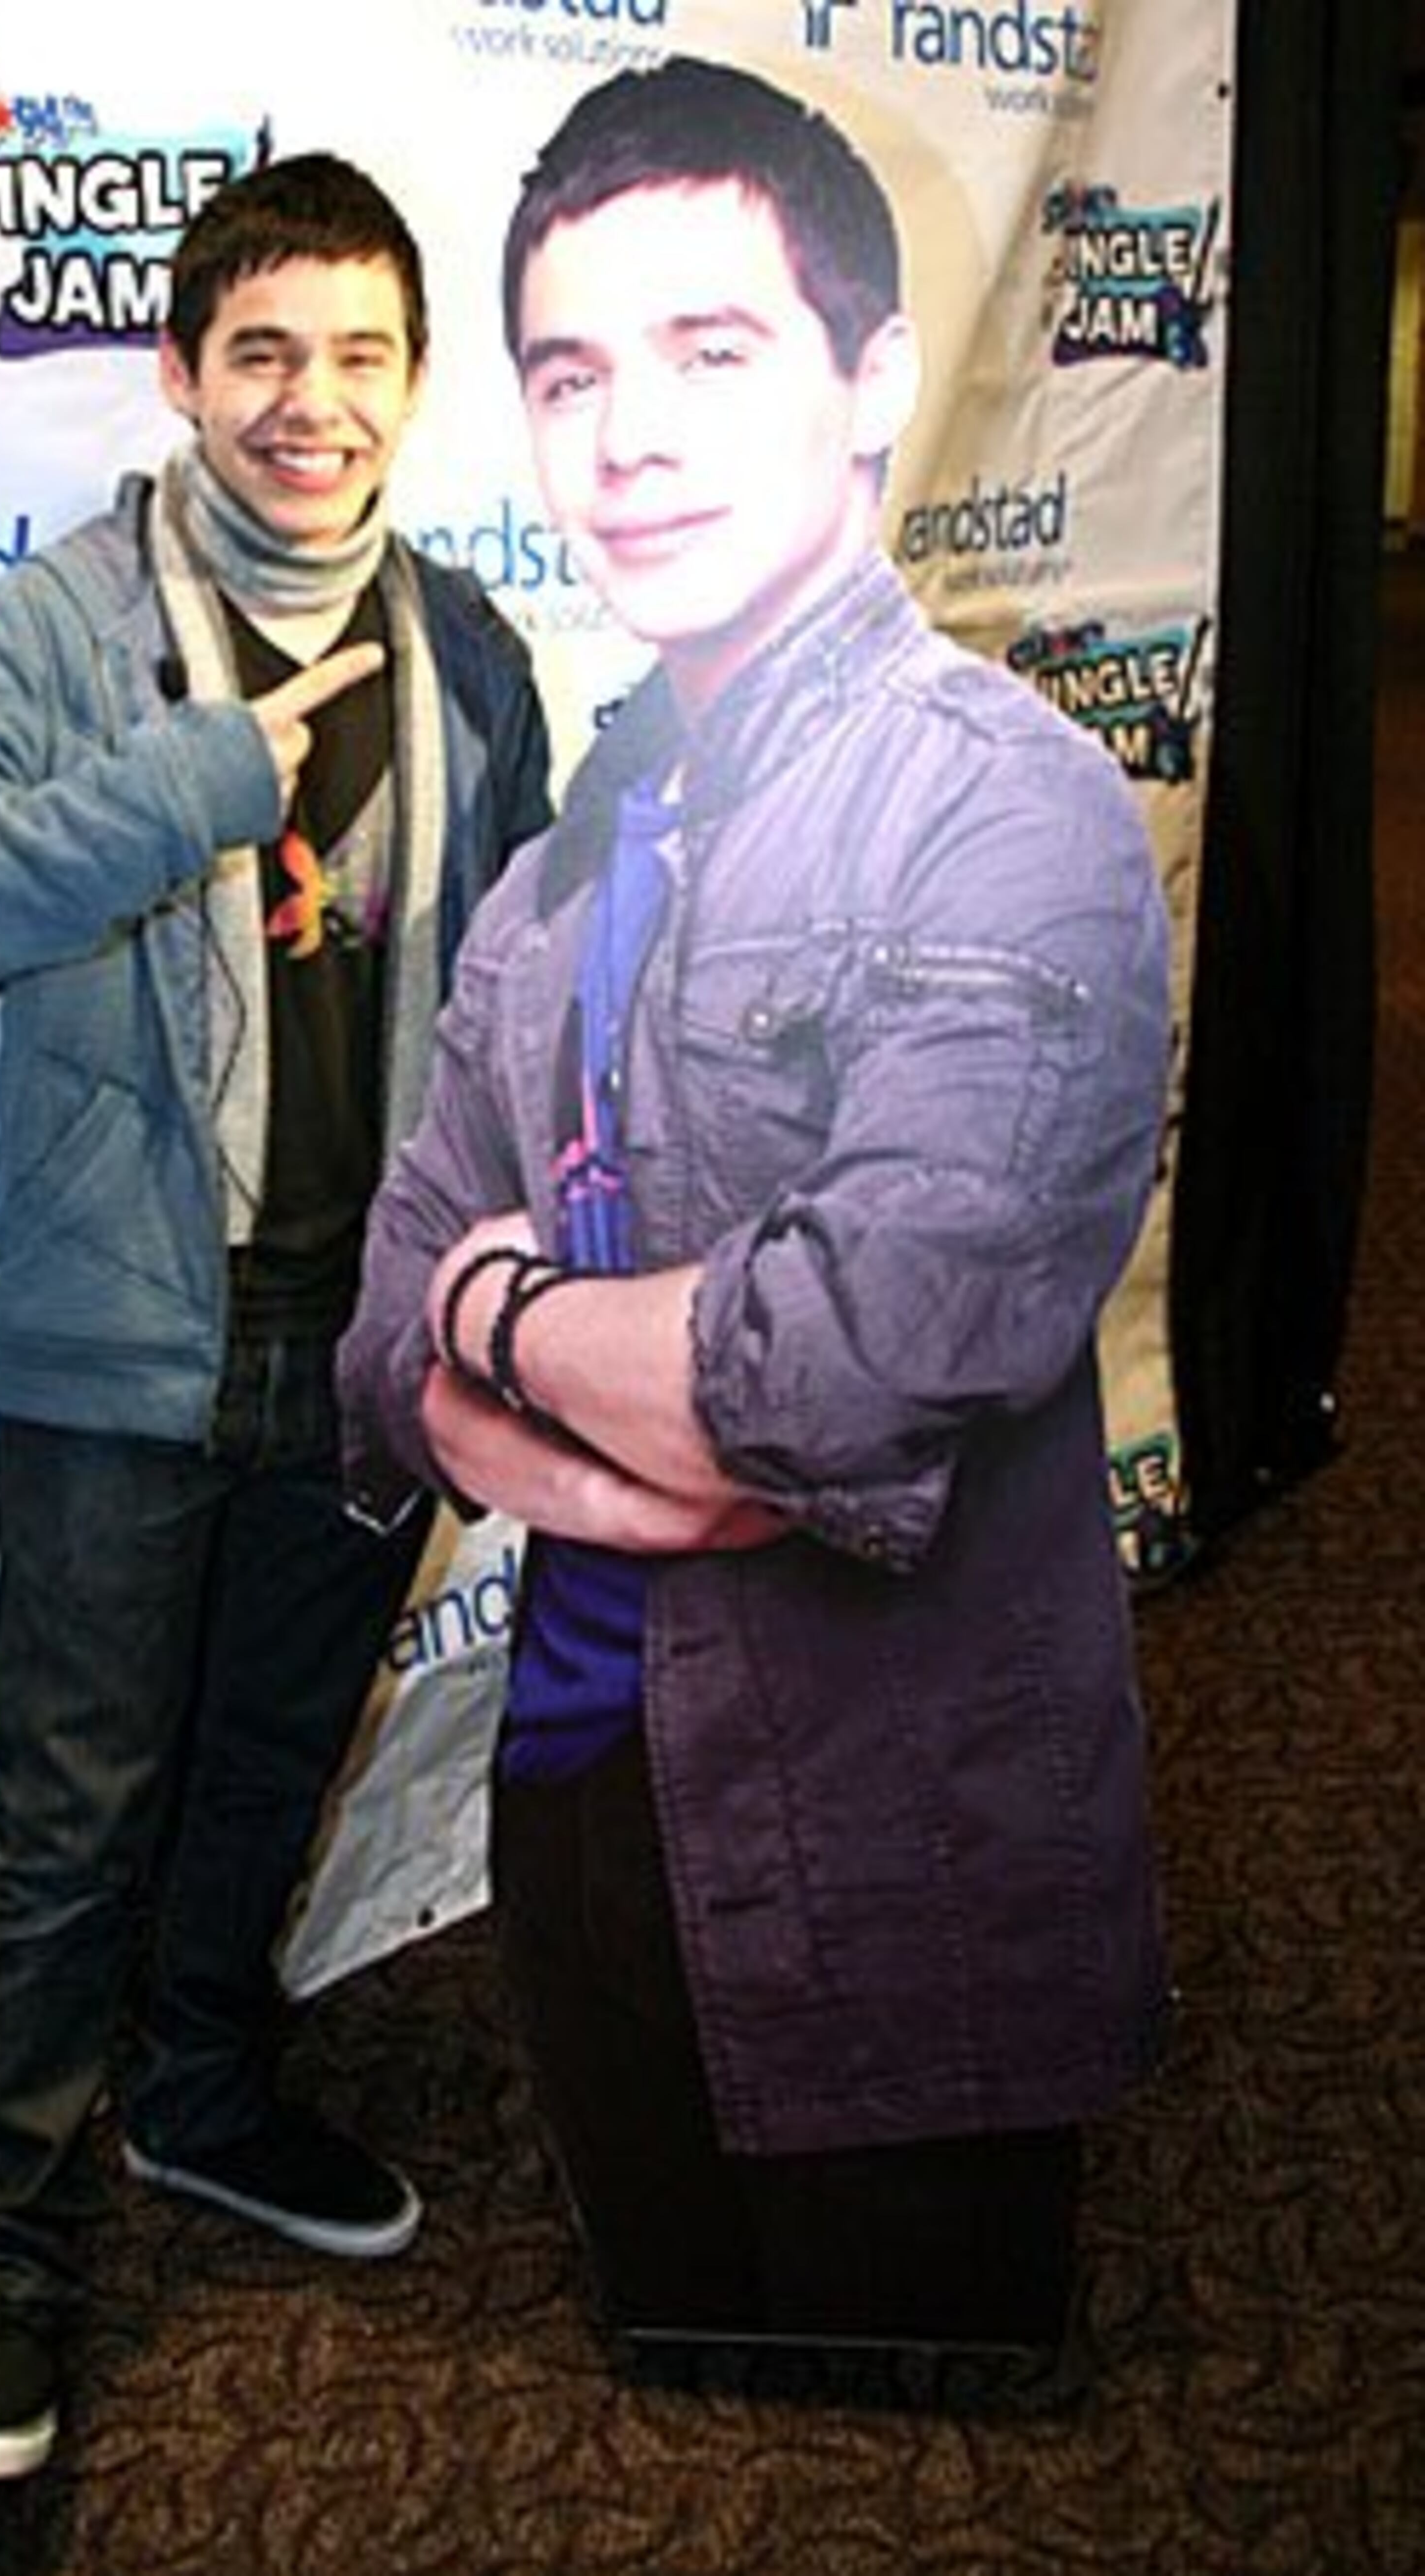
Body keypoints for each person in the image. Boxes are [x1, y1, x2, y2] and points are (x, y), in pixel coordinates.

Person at [336, 56, 1171, 2378]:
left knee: (907, 2407)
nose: (631, 438)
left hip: (885, 1810)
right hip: (589, 1784)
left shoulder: (1008, 815)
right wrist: (542, 1361)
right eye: (575, 373)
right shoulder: (563, 862)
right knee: (674, 2343)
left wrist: (503, 1319)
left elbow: (841, 1360)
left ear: (870, 378)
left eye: (714, 353)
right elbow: (384, 1320)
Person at [0, 150, 551, 2481]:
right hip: (127, 1344)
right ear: (183, 374)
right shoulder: (64, 621)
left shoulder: (474, 648)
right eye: (262, 353)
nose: (308, 404)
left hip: (360, 1335)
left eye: (356, 356)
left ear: (413, 386)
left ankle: (206, 2098)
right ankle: (8, 2260)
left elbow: (517, 979)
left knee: (262, 1766)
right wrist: (188, 786)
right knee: (68, 1822)